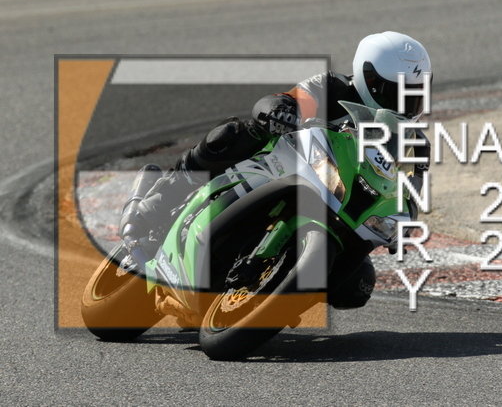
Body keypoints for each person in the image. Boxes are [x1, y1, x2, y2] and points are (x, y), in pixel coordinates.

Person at [128, 31, 432, 309]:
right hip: (285, 165)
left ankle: (276, 298)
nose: (407, 104)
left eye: (416, 94)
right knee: (233, 135)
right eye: (398, 92)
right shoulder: (333, 87)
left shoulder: (415, 144)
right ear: (369, 79)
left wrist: (403, 224)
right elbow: (288, 100)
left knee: (357, 287)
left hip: (345, 207)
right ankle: (164, 196)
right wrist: (280, 110)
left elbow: (411, 193)